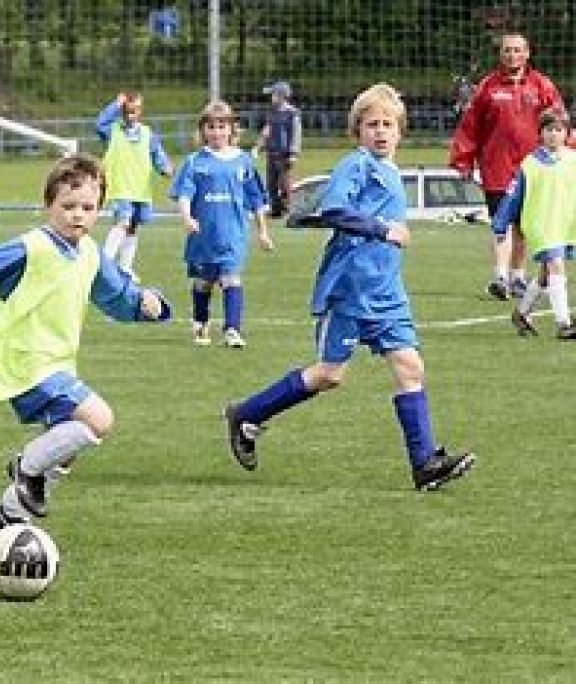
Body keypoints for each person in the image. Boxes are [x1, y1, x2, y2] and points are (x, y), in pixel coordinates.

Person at [223, 83, 475, 492]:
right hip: (350, 290)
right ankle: (246, 415)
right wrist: (383, 230)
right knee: (328, 375)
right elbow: (334, 208)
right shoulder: (355, 165)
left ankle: (425, 463)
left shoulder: (390, 171)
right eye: (371, 124)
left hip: (387, 292)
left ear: (400, 131)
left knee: (410, 366)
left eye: (387, 124)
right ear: (357, 131)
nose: (379, 131)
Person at [0, 154, 171, 530]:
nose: (78, 215)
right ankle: (24, 466)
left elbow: (117, 298)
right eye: (68, 206)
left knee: (67, 444)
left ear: (99, 210)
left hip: (56, 363)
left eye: (88, 208)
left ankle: (11, 510)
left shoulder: (90, 252)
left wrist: (144, 304)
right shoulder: (28, 248)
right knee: (98, 420)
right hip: (23, 360)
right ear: (48, 206)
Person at [449, 32, 564, 301]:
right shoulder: (487, 88)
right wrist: (463, 159)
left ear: (527, 53)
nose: (512, 55)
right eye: (507, 50)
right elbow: (470, 127)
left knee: (524, 227)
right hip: (497, 169)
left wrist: (565, 153)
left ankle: (517, 277)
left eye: (517, 50)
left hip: (534, 169)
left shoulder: (542, 86)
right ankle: (500, 276)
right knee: (501, 223)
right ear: (500, 54)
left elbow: (559, 122)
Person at [169, 100, 273, 349]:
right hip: (203, 235)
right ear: (203, 130)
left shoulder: (243, 162)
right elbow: (184, 194)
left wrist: (263, 232)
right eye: (211, 127)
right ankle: (200, 321)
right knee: (204, 282)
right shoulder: (195, 162)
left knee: (231, 278)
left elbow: (256, 199)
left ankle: (232, 330)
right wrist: (187, 217)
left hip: (233, 234)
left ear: (232, 129)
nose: (216, 132)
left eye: (221, 126)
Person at [494, 108, 576, 340]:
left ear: (567, 133)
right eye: (548, 129)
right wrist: (501, 223)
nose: (553, 135)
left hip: (564, 223)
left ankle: (521, 313)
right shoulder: (530, 164)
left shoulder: (572, 159)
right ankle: (564, 323)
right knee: (556, 265)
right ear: (540, 133)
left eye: (558, 130)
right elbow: (512, 195)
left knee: (545, 273)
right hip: (540, 224)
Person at [96, 92, 174, 280]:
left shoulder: (148, 134)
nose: (131, 114)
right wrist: (115, 104)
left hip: (141, 190)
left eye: (135, 110)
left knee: (133, 227)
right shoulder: (113, 130)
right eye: (127, 110)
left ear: (141, 111)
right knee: (122, 223)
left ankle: (125, 266)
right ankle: (104, 264)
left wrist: (165, 167)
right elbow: (99, 124)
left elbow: (158, 154)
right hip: (120, 188)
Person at [252, 80, 302, 218]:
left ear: (282, 96)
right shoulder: (272, 112)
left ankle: (288, 209)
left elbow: (296, 134)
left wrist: (293, 153)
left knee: (285, 184)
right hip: (271, 153)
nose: (271, 97)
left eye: (273, 94)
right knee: (271, 184)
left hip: (285, 154)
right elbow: (266, 131)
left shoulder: (292, 113)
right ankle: (276, 209)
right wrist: (259, 146)